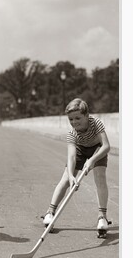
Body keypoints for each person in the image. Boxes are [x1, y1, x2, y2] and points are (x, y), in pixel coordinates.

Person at [42, 97, 111, 236]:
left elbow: (106, 146)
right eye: (71, 119)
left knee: (100, 177)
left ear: (87, 115)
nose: (74, 122)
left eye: (78, 118)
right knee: (66, 179)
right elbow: (72, 157)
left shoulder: (96, 123)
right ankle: (50, 212)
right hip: (80, 149)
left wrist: (92, 160)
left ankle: (102, 217)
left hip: (98, 149)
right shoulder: (72, 134)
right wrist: (72, 176)